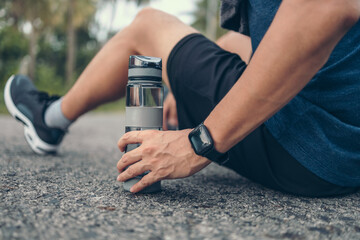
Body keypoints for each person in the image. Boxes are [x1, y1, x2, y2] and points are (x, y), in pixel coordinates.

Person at [4, 0, 360, 197]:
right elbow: (263, 45)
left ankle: (49, 119)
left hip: (314, 144)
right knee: (154, 40)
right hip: (341, 150)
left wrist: (198, 143)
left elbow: (326, 6)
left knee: (146, 25)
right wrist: (184, 85)